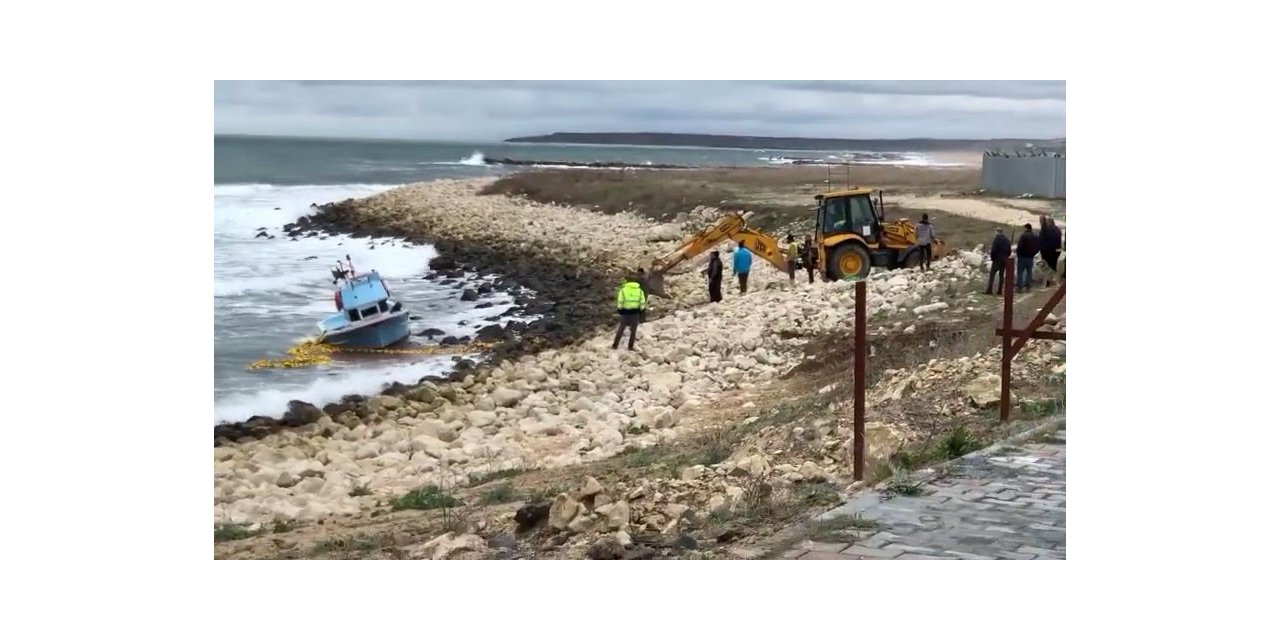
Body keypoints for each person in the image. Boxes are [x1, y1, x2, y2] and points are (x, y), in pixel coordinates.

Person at [612, 271, 647, 350]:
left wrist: (620, 310)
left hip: (625, 312)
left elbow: (620, 301)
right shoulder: (639, 291)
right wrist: (641, 311)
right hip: (635, 313)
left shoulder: (623, 290)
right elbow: (642, 302)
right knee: (633, 331)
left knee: (621, 329)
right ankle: (630, 347)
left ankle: (615, 345)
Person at [985, 228, 1012, 294]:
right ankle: (999, 290)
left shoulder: (996, 239)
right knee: (1001, 275)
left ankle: (989, 289)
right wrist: (1006, 256)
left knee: (992, 275)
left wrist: (992, 258)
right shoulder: (1007, 240)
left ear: (997, 232)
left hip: (997, 259)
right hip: (1004, 259)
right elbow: (1009, 250)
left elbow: (993, 250)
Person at [1016, 223, 1041, 292]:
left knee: (1020, 272)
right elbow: (1038, 246)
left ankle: (1020, 287)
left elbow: (1020, 246)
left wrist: (1018, 253)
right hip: (1030, 257)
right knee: (1029, 271)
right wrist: (1033, 253)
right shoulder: (1035, 236)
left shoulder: (1023, 236)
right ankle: (1028, 286)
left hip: (1022, 256)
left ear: (1026, 228)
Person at [1039, 216, 1063, 287]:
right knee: (1053, 265)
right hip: (1056, 251)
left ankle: (1048, 281)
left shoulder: (1047, 230)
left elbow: (1042, 238)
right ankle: (1052, 279)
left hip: (1047, 251)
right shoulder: (1058, 229)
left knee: (1047, 266)